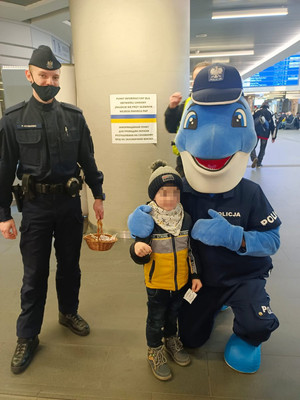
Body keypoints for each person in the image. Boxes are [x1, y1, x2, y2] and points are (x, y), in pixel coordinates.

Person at [128, 63, 281, 374]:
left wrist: (235, 237)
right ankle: (211, 308)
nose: (213, 136)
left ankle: (245, 334)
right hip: (199, 280)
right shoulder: (183, 191)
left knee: (257, 322)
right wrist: (138, 226)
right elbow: (157, 213)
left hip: (242, 276)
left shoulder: (250, 193)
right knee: (192, 339)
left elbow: (273, 240)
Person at [0, 45, 105, 374]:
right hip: (35, 208)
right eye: (43, 75)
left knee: (70, 266)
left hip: (70, 205)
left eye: (55, 76)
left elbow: (88, 159)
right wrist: (4, 214)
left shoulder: (74, 116)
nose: (49, 81)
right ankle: (27, 335)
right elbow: (4, 169)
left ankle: (68, 312)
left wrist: (98, 194)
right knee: (34, 275)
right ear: (30, 75)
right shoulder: (14, 119)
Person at [129, 160, 202, 381]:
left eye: (175, 193)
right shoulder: (148, 221)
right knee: (155, 318)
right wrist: (137, 249)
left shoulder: (186, 218)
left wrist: (195, 275)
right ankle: (155, 350)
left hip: (180, 282)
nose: (170, 199)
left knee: (173, 315)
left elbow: (191, 251)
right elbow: (137, 251)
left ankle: (171, 340)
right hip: (157, 283)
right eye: (163, 193)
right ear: (153, 195)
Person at [164, 62, 211, 176]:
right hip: (186, 164)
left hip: (215, 163)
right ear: (193, 82)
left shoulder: (225, 105)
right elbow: (171, 128)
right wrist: (172, 109)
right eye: (197, 79)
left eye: (204, 78)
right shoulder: (186, 105)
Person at [251, 102, 276, 168]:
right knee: (262, 148)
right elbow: (273, 125)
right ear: (268, 106)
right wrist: (273, 137)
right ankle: (259, 163)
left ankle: (254, 158)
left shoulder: (256, 111)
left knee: (252, 146)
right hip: (265, 134)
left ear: (262, 105)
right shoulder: (270, 112)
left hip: (256, 132)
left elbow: (250, 120)